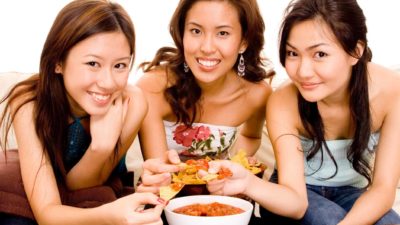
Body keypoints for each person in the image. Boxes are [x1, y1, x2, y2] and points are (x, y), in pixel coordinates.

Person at [202, 0, 400, 224]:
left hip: (352, 191)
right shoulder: (283, 101)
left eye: (320, 54)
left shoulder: (392, 91)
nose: (303, 72)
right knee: (328, 220)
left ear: (355, 51)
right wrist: (248, 182)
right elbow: (295, 201)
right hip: (294, 192)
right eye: (293, 53)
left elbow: (383, 188)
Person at [0, 0, 166, 224]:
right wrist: (101, 147)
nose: (107, 83)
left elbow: (82, 186)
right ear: (58, 61)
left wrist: (102, 147)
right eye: (93, 64)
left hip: (95, 192)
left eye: (119, 65)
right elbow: (47, 213)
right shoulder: (29, 102)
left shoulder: (132, 103)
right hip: (35, 192)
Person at [136, 0, 274, 193]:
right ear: (182, 34)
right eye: (196, 31)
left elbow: (251, 135)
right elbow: (161, 178)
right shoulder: (153, 87)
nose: (207, 47)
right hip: (167, 196)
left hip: (223, 198)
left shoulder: (257, 94)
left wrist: (234, 167)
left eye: (223, 33)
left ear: (244, 41)